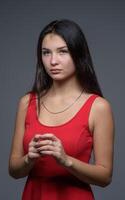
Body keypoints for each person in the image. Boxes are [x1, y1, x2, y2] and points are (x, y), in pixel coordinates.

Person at [9, 19, 114, 200]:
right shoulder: (27, 102)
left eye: (63, 52)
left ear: (78, 54)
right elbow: (14, 170)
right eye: (46, 53)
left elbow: (105, 177)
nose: (53, 61)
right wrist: (29, 159)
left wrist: (66, 161)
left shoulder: (98, 107)